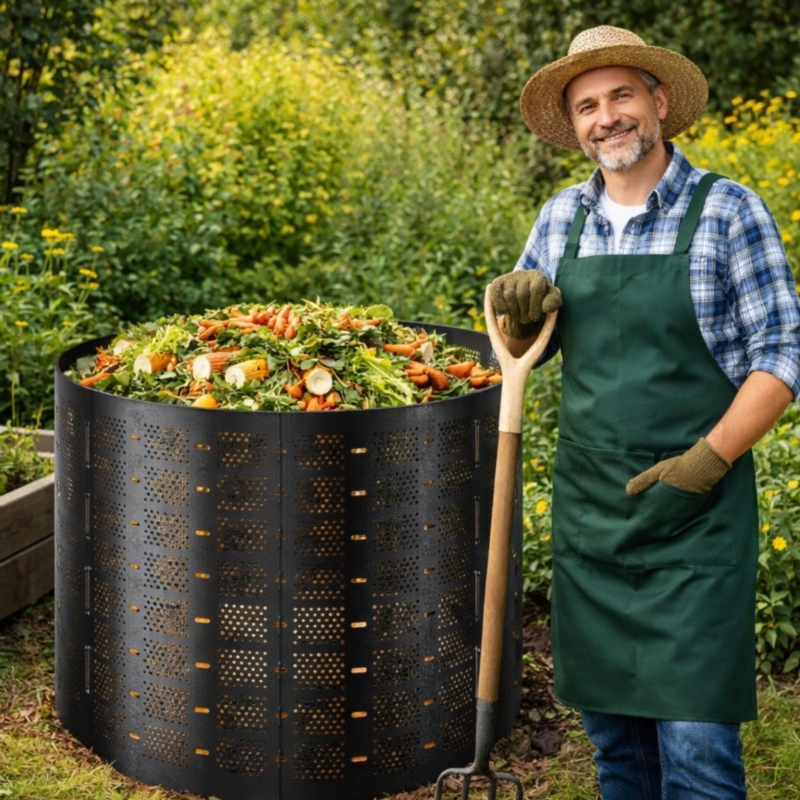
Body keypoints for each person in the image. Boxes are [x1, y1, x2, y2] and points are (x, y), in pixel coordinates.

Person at [490, 25, 800, 800]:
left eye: (621, 94)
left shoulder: (728, 211)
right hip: (593, 518)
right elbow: (521, 343)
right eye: (587, 105)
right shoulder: (561, 219)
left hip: (698, 518)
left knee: (696, 754)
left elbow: (784, 355)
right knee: (617, 755)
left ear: (658, 101)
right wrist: (518, 315)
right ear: (576, 127)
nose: (607, 117)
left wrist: (711, 457)